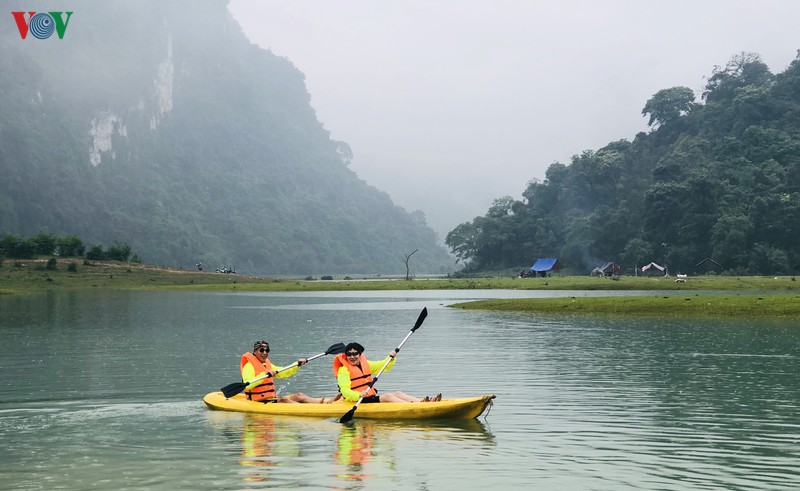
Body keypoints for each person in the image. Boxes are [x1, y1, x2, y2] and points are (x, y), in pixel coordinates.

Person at [332, 342, 441, 403]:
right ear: (346, 356)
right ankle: (414, 407)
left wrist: (391, 358)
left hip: (368, 397)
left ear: (360, 354)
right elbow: (345, 391)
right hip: (358, 400)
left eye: (355, 353)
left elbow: (383, 366)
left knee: (398, 393)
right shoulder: (343, 371)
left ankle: (421, 402)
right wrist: (358, 395)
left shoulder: (366, 364)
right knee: (387, 396)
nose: (352, 357)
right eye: (349, 354)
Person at [241, 340, 334, 403]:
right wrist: (264, 374)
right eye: (262, 350)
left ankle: (322, 402)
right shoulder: (249, 367)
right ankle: (313, 409)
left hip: (270, 399)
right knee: (283, 400)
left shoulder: (267, 365)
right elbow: (248, 384)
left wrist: (297, 365)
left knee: (299, 395)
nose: (265, 353)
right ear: (255, 351)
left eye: (267, 350)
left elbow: (283, 372)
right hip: (258, 401)